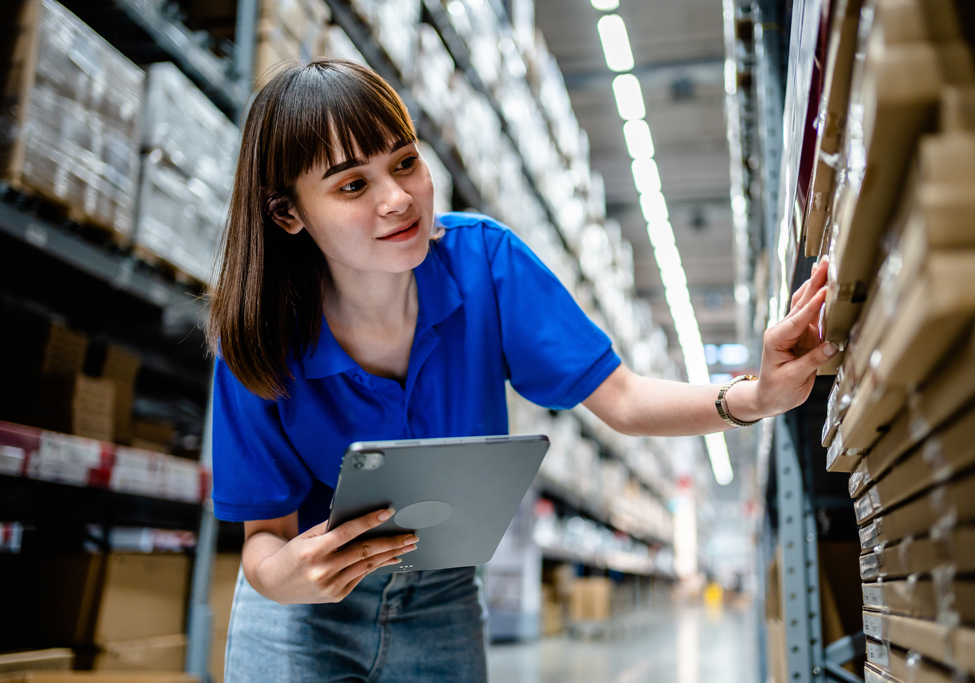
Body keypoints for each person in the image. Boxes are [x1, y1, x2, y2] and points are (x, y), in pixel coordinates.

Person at [208, 59, 835, 683]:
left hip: (440, 601)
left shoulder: (485, 263)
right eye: (352, 186)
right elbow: (264, 538)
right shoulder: (259, 338)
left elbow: (622, 399)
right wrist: (285, 577)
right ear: (288, 214)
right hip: (303, 619)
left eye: (405, 162)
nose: (398, 200)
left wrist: (757, 396)